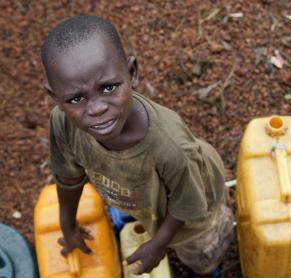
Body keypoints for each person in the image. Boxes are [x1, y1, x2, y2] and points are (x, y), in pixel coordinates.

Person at [41, 15, 234, 277]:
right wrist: (67, 225)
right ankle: (143, 214)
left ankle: (207, 268)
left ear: (132, 73)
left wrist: (158, 245)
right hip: (140, 195)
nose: (96, 108)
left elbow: (188, 204)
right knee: (142, 204)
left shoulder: (171, 146)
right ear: (56, 99)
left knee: (198, 252)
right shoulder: (62, 122)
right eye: (76, 98)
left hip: (195, 208)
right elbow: (68, 178)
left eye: (108, 88)